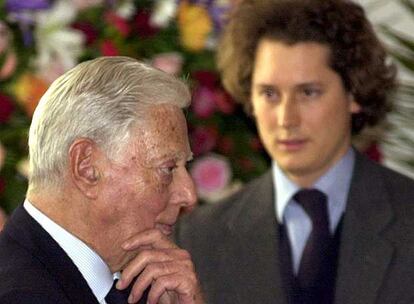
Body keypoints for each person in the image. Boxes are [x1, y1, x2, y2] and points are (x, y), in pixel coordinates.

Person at [169, 1, 414, 304]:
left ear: (354, 92)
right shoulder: (198, 238)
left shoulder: (408, 217)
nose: (286, 118)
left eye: (308, 92)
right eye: (269, 94)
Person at [0, 56, 204, 304]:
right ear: (87, 167)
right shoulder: (20, 294)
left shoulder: (145, 282)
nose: (188, 194)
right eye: (168, 168)